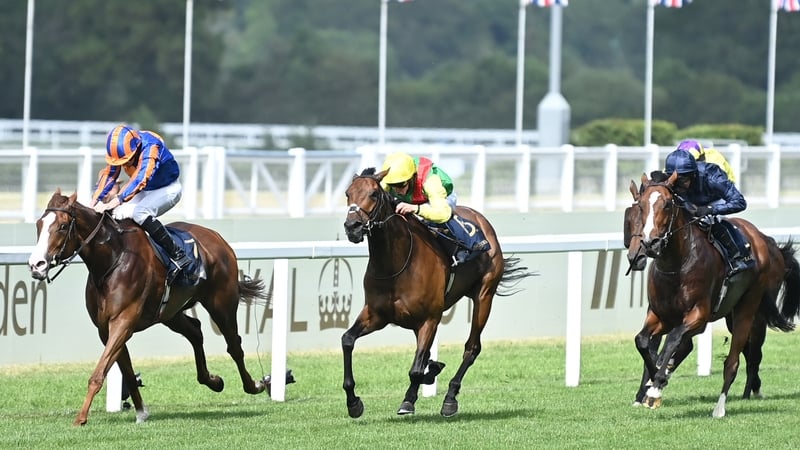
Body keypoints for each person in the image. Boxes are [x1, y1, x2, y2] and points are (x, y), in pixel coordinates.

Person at [91, 124, 193, 282]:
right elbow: (110, 174)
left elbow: (140, 179)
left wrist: (116, 200)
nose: (124, 165)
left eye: (127, 160)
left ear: (136, 147)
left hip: (167, 188)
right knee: (117, 214)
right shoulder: (122, 150)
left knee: (139, 213)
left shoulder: (151, 147)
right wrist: (94, 201)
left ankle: (178, 255)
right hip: (145, 189)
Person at [380, 152, 489, 266]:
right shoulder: (391, 180)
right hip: (416, 199)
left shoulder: (431, 182)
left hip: (441, 199)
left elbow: (443, 214)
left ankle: (464, 246)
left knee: (431, 219)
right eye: (392, 186)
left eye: (400, 185)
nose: (396, 190)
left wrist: (416, 209)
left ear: (412, 177)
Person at [664, 148, 752, 276]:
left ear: (693, 175)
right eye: (674, 180)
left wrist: (711, 209)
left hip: (715, 200)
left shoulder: (712, 177)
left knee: (709, 221)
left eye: (682, 181)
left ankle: (738, 257)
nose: (677, 186)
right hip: (691, 202)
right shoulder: (675, 180)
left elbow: (740, 202)